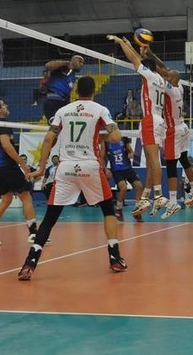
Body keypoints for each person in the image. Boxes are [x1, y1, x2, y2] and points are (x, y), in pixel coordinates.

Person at [18, 76, 126, 280]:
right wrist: (99, 135)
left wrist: (41, 168)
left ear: (76, 91)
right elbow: (116, 137)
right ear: (94, 91)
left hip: (65, 168)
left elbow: (49, 137)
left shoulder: (62, 111)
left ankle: (29, 263)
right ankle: (115, 257)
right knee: (108, 210)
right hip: (90, 167)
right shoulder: (100, 109)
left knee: (50, 218)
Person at [108, 35, 168, 217]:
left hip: (150, 120)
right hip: (160, 120)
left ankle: (158, 195)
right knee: (151, 161)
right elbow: (149, 63)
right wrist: (139, 50)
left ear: (146, 69)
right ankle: (145, 198)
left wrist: (122, 43)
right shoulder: (161, 79)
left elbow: (134, 60)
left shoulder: (148, 75)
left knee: (153, 160)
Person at [147, 50, 193, 219]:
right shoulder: (180, 87)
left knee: (171, 165)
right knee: (184, 159)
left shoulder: (169, 88)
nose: (166, 75)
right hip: (183, 127)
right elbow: (165, 69)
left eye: (168, 76)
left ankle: (172, 202)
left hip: (172, 130)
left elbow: (160, 71)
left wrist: (145, 59)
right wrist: (150, 52)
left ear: (172, 79)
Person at [0, 99, 38, 246]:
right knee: (26, 196)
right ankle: (33, 234)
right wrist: (23, 164)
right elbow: (6, 145)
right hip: (7, 166)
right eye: (3, 105)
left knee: (6, 199)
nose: (7, 106)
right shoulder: (3, 123)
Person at [101, 137, 143, 221]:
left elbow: (131, 151)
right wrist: (105, 169)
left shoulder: (123, 139)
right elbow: (101, 157)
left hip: (128, 169)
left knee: (139, 186)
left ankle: (137, 211)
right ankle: (118, 209)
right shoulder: (105, 142)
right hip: (117, 171)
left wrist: (131, 154)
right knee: (123, 188)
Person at [43, 54, 84, 121]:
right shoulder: (64, 67)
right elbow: (47, 66)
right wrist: (66, 63)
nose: (82, 64)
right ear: (73, 60)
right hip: (53, 102)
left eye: (82, 63)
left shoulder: (73, 77)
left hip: (63, 104)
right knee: (55, 127)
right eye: (80, 61)